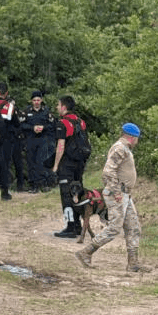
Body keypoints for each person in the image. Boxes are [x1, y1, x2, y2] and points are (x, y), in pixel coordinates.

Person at [76, 123, 146, 272]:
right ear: (132, 137)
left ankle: (133, 263)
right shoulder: (120, 148)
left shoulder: (124, 148)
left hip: (125, 194)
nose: (138, 141)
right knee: (114, 228)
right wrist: (116, 192)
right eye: (138, 138)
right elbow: (108, 171)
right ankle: (86, 252)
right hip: (118, 194)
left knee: (133, 227)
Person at [52, 95, 89, 238]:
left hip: (67, 163)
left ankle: (70, 227)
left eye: (58, 105)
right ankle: (78, 225)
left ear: (64, 107)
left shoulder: (63, 122)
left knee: (66, 194)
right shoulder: (81, 122)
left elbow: (61, 145)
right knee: (77, 192)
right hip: (80, 163)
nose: (57, 107)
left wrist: (55, 165)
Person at [21, 90, 54, 193]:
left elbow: (52, 125)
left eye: (38, 100)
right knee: (31, 162)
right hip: (30, 139)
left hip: (43, 140)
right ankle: (33, 185)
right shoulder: (26, 111)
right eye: (34, 100)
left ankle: (43, 184)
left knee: (41, 162)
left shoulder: (46, 111)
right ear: (31, 101)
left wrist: (43, 127)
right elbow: (21, 125)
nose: (36, 102)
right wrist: (32, 128)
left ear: (41, 100)